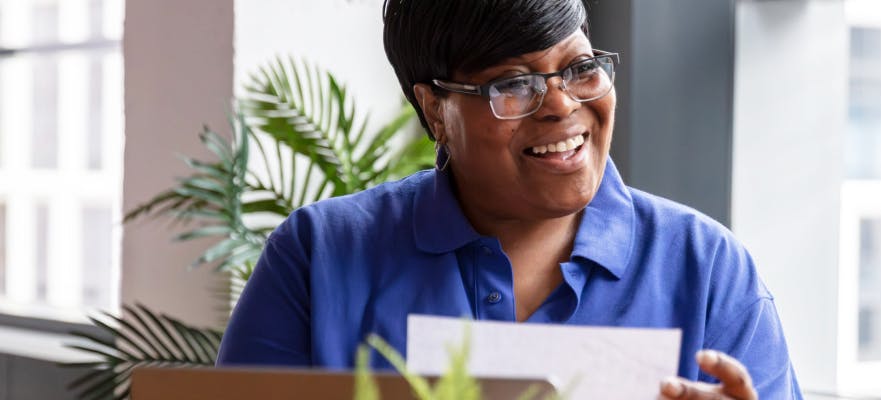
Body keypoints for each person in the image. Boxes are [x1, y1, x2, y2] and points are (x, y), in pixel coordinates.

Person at [216, 1, 803, 399]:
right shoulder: (319, 255)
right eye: (512, 84)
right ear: (433, 111)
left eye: (579, 68)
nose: (561, 105)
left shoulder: (709, 269)